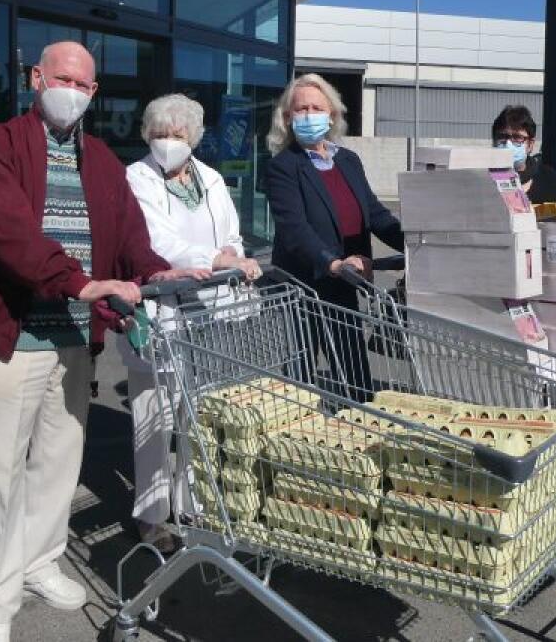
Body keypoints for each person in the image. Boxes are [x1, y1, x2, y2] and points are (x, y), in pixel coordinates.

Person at [0, 41, 201, 642]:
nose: (72, 90)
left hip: (73, 337)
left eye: (85, 83)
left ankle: (39, 563)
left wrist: (153, 271)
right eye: (62, 77)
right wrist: (83, 282)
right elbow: (8, 238)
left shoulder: (99, 161)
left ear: (95, 93)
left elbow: (128, 238)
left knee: (58, 462)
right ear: (36, 78)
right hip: (14, 336)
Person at [124, 93, 262, 552]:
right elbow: (157, 239)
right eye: (160, 134)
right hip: (162, 311)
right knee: (155, 418)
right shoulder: (137, 178)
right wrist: (213, 259)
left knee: (197, 415)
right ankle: (151, 515)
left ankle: (191, 504)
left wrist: (235, 258)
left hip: (209, 312)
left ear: (195, 138)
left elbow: (232, 233)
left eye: (178, 135)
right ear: (147, 135)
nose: (168, 143)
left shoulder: (213, 178)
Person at [265, 73, 403, 400]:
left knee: (355, 380)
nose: (309, 114)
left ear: (332, 115)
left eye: (316, 107)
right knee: (300, 383)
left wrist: (415, 242)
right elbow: (294, 229)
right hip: (303, 288)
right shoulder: (283, 167)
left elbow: (375, 214)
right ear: (287, 118)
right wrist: (333, 262)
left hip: (345, 286)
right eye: (301, 109)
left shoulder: (348, 160)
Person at [491, 105, 556, 215]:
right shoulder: (482, 182)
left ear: (530, 145)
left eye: (517, 137)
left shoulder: (552, 182)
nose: (508, 144)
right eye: (502, 137)